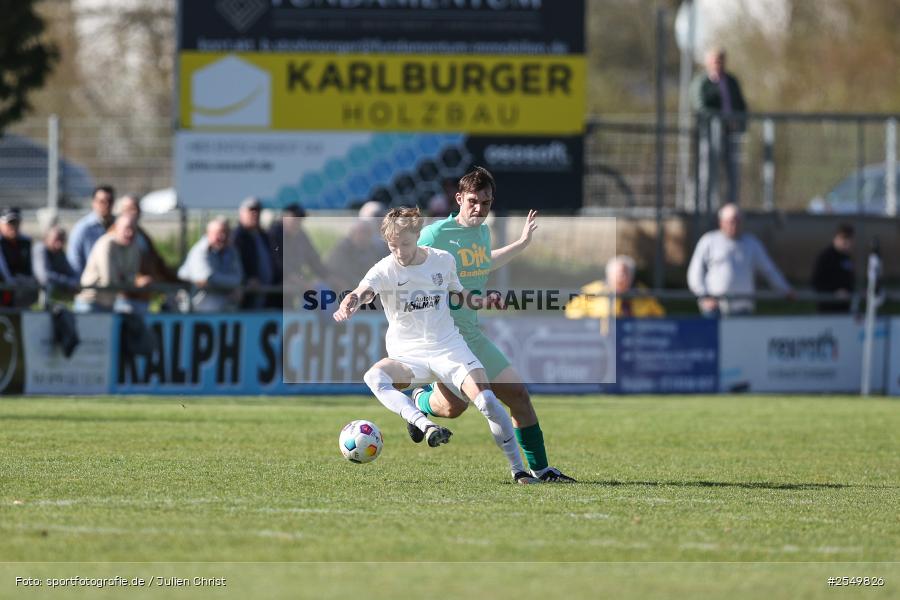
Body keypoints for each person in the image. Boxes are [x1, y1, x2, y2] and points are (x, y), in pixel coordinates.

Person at [333, 207, 539, 484]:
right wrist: (351, 301)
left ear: (418, 236)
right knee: (374, 376)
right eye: (393, 246)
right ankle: (425, 424)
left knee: (487, 401)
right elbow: (363, 291)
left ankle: (519, 470)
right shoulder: (384, 269)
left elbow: (461, 295)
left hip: (448, 348)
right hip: (408, 356)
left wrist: (484, 301)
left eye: (405, 244)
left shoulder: (442, 260)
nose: (400, 252)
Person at [412, 166, 576, 483]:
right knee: (462, 406)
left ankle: (541, 470)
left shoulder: (481, 232)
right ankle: (420, 401)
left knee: (515, 395)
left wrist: (522, 243)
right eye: (473, 201)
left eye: (486, 203)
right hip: (444, 340)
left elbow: (484, 261)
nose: (479, 208)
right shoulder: (436, 235)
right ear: (458, 198)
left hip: (472, 334)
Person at [687, 203, 792, 316]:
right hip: (715, 309)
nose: (735, 225)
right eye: (731, 221)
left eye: (738, 221)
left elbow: (769, 270)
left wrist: (785, 290)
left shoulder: (751, 243)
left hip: (743, 309)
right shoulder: (709, 241)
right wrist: (704, 297)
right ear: (721, 222)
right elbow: (695, 272)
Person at [691, 47, 747, 205]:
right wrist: (719, 120)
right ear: (708, 62)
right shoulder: (701, 82)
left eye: (721, 59)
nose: (719, 63)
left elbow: (741, 105)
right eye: (715, 60)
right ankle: (704, 206)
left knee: (733, 173)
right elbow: (700, 106)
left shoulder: (731, 81)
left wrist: (740, 123)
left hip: (731, 134)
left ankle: (731, 208)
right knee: (708, 173)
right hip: (710, 134)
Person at [114, 195, 181, 312]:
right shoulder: (114, 237)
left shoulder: (143, 236)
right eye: (129, 209)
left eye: (136, 209)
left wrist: (177, 280)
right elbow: (116, 268)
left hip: (143, 298)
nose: (134, 212)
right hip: (124, 299)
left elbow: (158, 263)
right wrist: (136, 281)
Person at [565, 255, 665, 333]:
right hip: (601, 338)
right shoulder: (592, 291)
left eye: (625, 274)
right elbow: (572, 312)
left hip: (633, 341)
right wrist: (589, 324)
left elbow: (659, 316)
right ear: (609, 275)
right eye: (617, 274)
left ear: (631, 276)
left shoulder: (642, 293)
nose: (621, 277)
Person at [74, 214, 147, 313]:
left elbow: (130, 279)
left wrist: (127, 280)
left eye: (133, 229)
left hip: (109, 304)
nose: (130, 233)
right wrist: (130, 281)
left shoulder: (134, 247)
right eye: (126, 228)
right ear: (116, 228)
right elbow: (109, 281)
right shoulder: (106, 244)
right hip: (89, 303)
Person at [268, 203, 336, 308]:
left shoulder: (300, 234)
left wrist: (329, 276)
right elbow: (275, 262)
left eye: (300, 219)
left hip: (293, 284)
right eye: (295, 218)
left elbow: (313, 259)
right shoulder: (273, 233)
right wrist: (296, 279)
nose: (298, 222)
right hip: (274, 285)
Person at [178, 217, 243, 312]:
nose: (223, 236)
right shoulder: (199, 251)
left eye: (226, 232)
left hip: (221, 314)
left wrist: (226, 283)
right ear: (208, 233)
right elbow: (207, 278)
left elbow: (238, 278)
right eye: (219, 233)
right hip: (194, 313)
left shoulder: (232, 251)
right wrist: (231, 286)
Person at [232, 197, 275, 309]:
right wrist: (247, 279)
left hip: (267, 293)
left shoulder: (263, 236)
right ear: (241, 213)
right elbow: (233, 264)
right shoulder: (237, 237)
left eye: (257, 211)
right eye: (251, 210)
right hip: (247, 294)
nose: (255, 214)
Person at [68, 185, 115, 276]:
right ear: (93, 203)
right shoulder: (83, 228)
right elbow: (74, 259)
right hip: (91, 283)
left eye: (109, 201)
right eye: (102, 202)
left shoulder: (118, 226)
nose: (106, 205)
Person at [811, 223, 855, 313]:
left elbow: (849, 280)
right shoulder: (826, 256)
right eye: (844, 238)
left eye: (849, 239)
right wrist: (834, 293)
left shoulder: (846, 257)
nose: (847, 242)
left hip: (844, 308)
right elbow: (816, 282)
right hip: (827, 309)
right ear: (836, 237)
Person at [0, 207, 38, 307]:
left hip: (19, 290)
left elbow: (30, 270)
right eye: (10, 223)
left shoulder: (25, 242)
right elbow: (4, 272)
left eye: (16, 223)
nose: (13, 227)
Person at [32, 225, 80, 296]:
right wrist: (67, 281)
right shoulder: (40, 249)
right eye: (56, 239)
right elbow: (44, 276)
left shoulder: (59, 253)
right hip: (33, 291)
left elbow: (71, 272)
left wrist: (73, 281)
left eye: (62, 240)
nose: (59, 244)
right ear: (47, 238)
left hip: (56, 291)